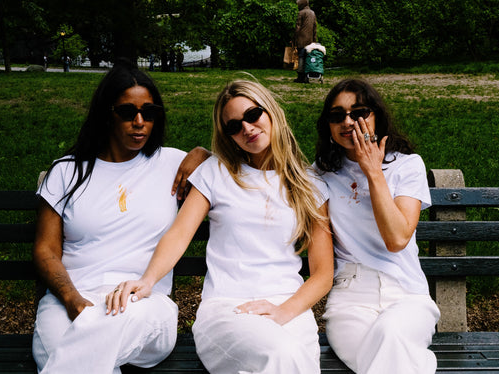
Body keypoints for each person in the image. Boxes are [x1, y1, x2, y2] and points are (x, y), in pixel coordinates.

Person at [106, 80, 334, 374]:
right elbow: (179, 235)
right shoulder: (216, 173)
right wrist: (148, 280)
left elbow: (323, 274)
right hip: (228, 309)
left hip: (290, 308)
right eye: (234, 126)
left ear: (271, 111)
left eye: (253, 115)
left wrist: (282, 312)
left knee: (292, 360)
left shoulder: (309, 183)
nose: (247, 129)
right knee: (283, 355)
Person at [32, 59, 207, 373]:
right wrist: (71, 299)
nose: (139, 122)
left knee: (76, 352)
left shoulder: (172, 164)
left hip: (144, 303)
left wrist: (205, 154)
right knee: (71, 349)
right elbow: (45, 249)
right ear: (106, 115)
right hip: (70, 300)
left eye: (149, 113)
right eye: (128, 112)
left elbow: (243, 167)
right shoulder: (66, 172)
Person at [314, 78, 441, 373]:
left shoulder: (407, 166)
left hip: (407, 294)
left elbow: (397, 239)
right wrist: (200, 156)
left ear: (377, 118)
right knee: (392, 357)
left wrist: (373, 171)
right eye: (337, 116)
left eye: (359, 112)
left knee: (390, 336)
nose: (348, 122)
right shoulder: (319, 175)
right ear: (329, 127)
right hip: (350, 298)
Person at [293, 0, 316, 83]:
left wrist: (294, 38)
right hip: (310, 40)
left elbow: (298, 28)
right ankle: (307, 76)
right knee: (308, 58)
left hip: (301, 39)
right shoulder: (312, 13)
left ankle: (300, 77)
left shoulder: (301, 13)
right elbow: (315, 28)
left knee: (301, 57)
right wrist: (314, 40)